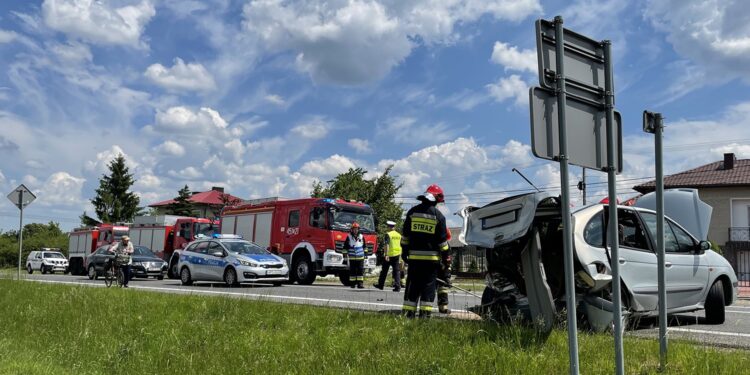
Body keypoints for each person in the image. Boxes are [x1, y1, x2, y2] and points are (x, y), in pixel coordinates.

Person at [401, 184, 449, 318]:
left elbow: (405, 236)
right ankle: (424, 317)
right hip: (431, 262)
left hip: (414, 260)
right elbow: (443, 243)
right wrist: (446, 257)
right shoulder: (439, 216)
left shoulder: (412, 212)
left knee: (413, 287)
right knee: (428, 289)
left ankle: (408, 315)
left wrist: (405, 253)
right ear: (436, 199)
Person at [374, 220, 402, 292]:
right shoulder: (399, 235)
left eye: (387, 226)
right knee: (396, 271)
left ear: (389, 227)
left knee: (384, 271)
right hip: (397, 255)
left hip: (389, 255)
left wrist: (386, 254)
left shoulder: (388, 234)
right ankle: (397, 287)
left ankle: (380, 285)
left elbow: (387, 245)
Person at [344, 222, 366, 289]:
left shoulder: (361, 236)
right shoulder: (349, 236)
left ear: (358, 229)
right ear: (352, 229)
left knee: (360, 271)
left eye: (356, 229)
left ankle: (360, 284)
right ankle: (352, 284)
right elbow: (345, 247)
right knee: (352, 271)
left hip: (360, 257)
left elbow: (364, 246)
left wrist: (366, 254)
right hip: (352, 257)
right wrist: (344, 255)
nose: (355, 230)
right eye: (354, 229)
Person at [437, 228, 453, 314]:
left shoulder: (432, 241)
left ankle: (422, 309)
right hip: (440, 270)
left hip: (432, 269)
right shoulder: (446, 246)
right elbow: (448, 263)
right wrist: (447, 277)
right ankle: (443, 308)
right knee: (442, 288)